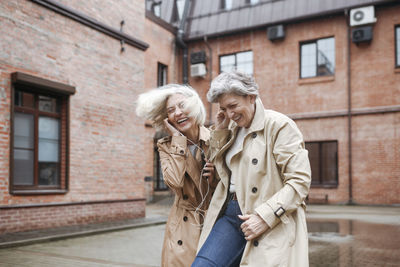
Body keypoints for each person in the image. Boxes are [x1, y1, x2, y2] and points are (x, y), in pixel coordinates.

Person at [191, 71, 311, 267]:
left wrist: (265, 217)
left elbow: (300, 181)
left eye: (233, 106)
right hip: (232, 213)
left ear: (251, 97)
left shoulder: (279, 126)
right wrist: (220, 132)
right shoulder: (231, 128)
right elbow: (220, 171)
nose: (230, 114)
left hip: (269, 216)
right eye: (223, 108)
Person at [136, 84, 217, 267]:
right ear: (167, 119)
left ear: (195, 106)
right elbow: (174, 181)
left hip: (214, 221)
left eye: (182, 105)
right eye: (171, 110)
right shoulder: (166, 145)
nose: (178, 113)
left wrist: (213, 182)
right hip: (183, 226)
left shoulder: (216, 139)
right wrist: (178, 140)